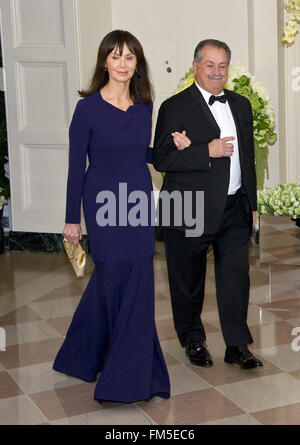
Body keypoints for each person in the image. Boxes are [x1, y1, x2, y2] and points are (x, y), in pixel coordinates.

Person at [53, 30, 170, 403]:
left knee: (137, 277)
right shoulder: (86, 108)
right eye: (116, 56)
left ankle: (116, 368)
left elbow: (140, 154)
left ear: (137, 64)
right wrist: (73, 220)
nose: (122, 64)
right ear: (105, 61)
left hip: (136, 201)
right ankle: (92, 356)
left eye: (130, 57)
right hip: (101, 203)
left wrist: (172, 148)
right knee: (110, 276)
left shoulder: (145, 104)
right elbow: (76, 167)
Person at [153, 39, 263, 370]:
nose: (216, 72)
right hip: (187, 204)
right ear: (195, 67)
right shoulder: (174, 107)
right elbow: (161, 158)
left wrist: (253, 203)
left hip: (234, 207)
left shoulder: (242, 105)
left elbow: (248, 159)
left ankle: (237, 344)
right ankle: (193, 340)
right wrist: (206, 151)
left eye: (222, 66)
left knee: (235, 277)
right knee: (186, 279)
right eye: (209, 65)